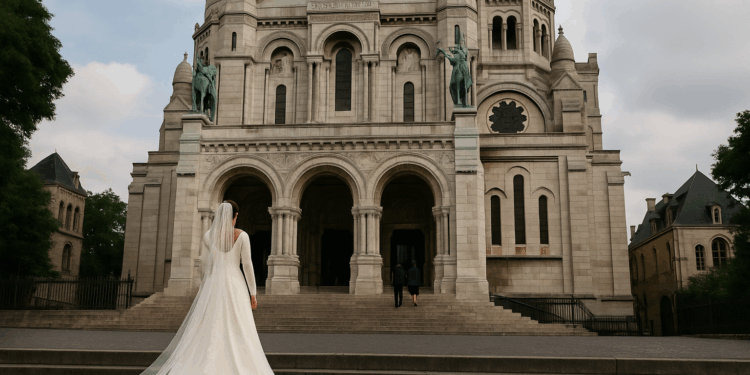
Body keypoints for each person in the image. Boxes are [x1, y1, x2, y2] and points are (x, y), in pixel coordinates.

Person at [140, 200, 274, 375]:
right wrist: (253, 293)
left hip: (214, 282)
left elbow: (203, 264)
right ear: (234, 216)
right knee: (238, 324)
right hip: (235, 284)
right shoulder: (241, 235)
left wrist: (206, 285)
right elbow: (247, 265)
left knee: (211, 324)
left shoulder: (208, 236)